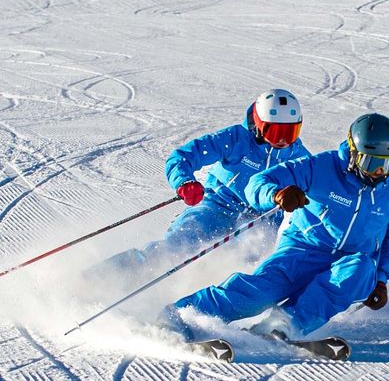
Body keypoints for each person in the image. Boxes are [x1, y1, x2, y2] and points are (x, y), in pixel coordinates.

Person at [163, 112, 389, 345]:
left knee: (359, 271)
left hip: (352, 261)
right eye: (371, 163)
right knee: (259, 293)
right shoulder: (320, 167)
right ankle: (180, 317)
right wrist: (276, 194)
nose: (379, 173)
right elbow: (258, 182)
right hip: (302, 250)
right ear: (352, 153)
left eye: (388, 163)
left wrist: (381, 279)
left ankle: (280, 327)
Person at [87, 89, 311, 289]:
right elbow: (183, 157)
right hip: (219, 206)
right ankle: (95, 281)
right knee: (174, 249)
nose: (282, 141)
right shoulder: (236, 139)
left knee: (251, 267)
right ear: (260, 125)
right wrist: (184, 182)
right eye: (275, 132)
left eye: (290, 133)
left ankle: (207, 315)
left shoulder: (300, 157)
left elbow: (318, 191)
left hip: (264, 220)